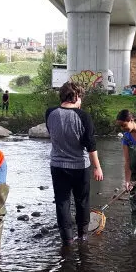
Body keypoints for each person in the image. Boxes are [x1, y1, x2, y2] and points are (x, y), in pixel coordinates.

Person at [46, 82, 104, 246]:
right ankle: (83, 235)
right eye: (81, 98)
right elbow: (91, 145)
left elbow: (52, 133)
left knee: (62, 202)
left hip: (57, 165)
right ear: (76, 96)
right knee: (82, 201)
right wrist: (97, 167)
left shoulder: (50, 113)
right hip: (80, 166)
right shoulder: (83, 116)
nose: (81, 102)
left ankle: (67, 239)